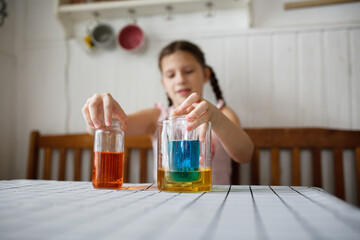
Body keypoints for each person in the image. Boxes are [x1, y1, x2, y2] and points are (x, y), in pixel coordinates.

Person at [82, 40, 254, 185]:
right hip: (167, 200)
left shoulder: (222, 113)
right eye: (171, 75)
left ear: (205, 74)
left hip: (216, 200)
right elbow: (108, 126)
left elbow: (245, 155)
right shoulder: (157, 117)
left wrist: (215, 117)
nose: (180, 79)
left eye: (188, 71)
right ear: (163, 82)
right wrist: (97, 115)